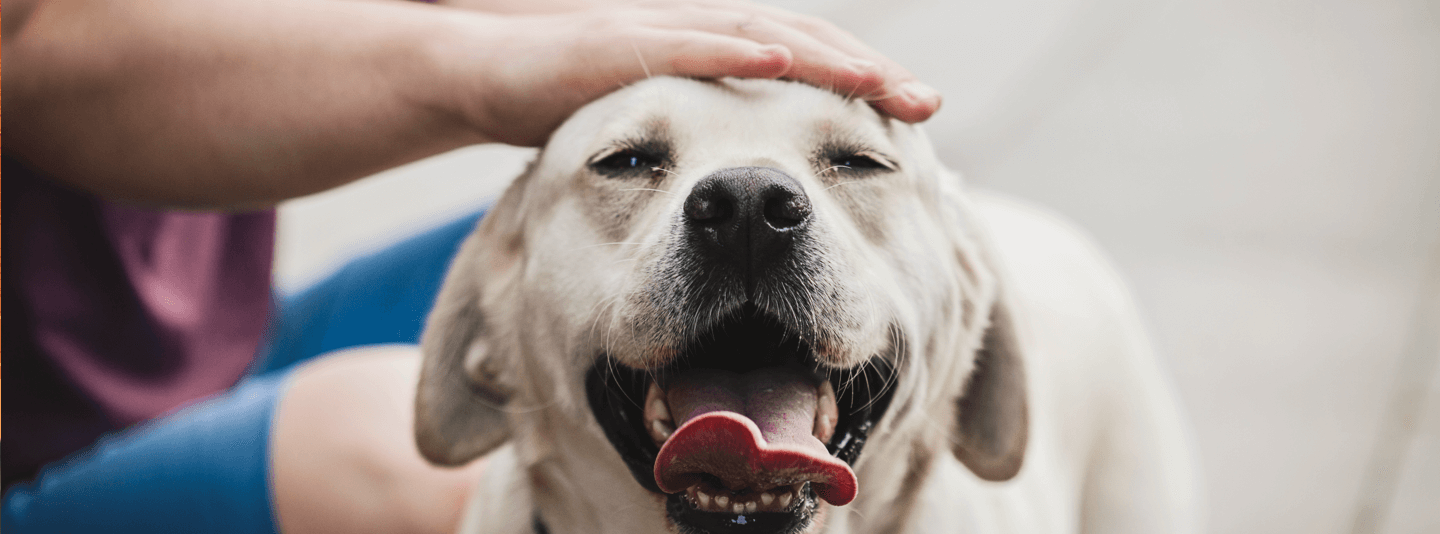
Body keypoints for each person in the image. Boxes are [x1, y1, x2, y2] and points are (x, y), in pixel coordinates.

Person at [1, 0, 941, 532]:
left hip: (225, 335)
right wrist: (482, 73)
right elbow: (23, 45)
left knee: (584, 234)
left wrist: (671, 37)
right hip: (25, 456)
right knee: (399, 448)